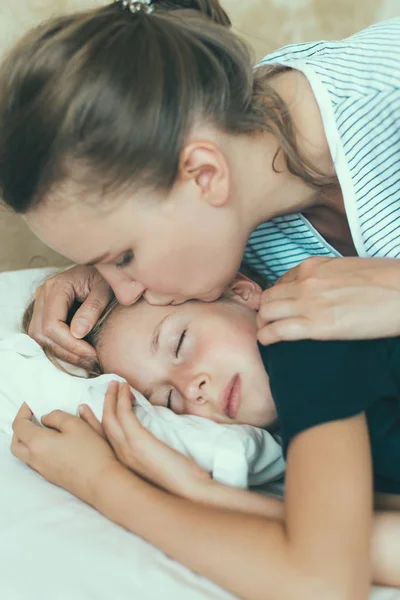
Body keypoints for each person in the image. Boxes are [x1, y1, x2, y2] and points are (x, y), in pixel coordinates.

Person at [0, 1, 399, 367]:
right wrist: (98, 281)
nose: (125, 292)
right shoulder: (235, 200)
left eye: (123, 258)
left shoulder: (386, 93)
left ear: (206, 175)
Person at [14, 271, 400, 594]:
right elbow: (357, 542)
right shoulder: (309, 439)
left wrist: (105, 484)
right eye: (166, 401)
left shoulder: (298, 345)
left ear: (241, 291)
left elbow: (323, 580)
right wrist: (203, 492)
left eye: (180, 342)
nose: (191, 387)